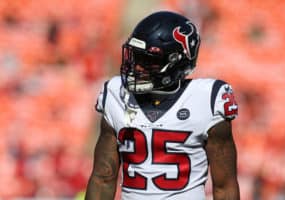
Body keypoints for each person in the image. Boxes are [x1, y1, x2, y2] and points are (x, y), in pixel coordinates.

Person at [85, 11, 240, 200]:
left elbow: (225, 186)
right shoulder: (117, 94)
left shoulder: (207, 99)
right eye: (136, 58)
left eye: (148, 61)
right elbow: (103, 177)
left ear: (175, 62)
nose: (137, 68)